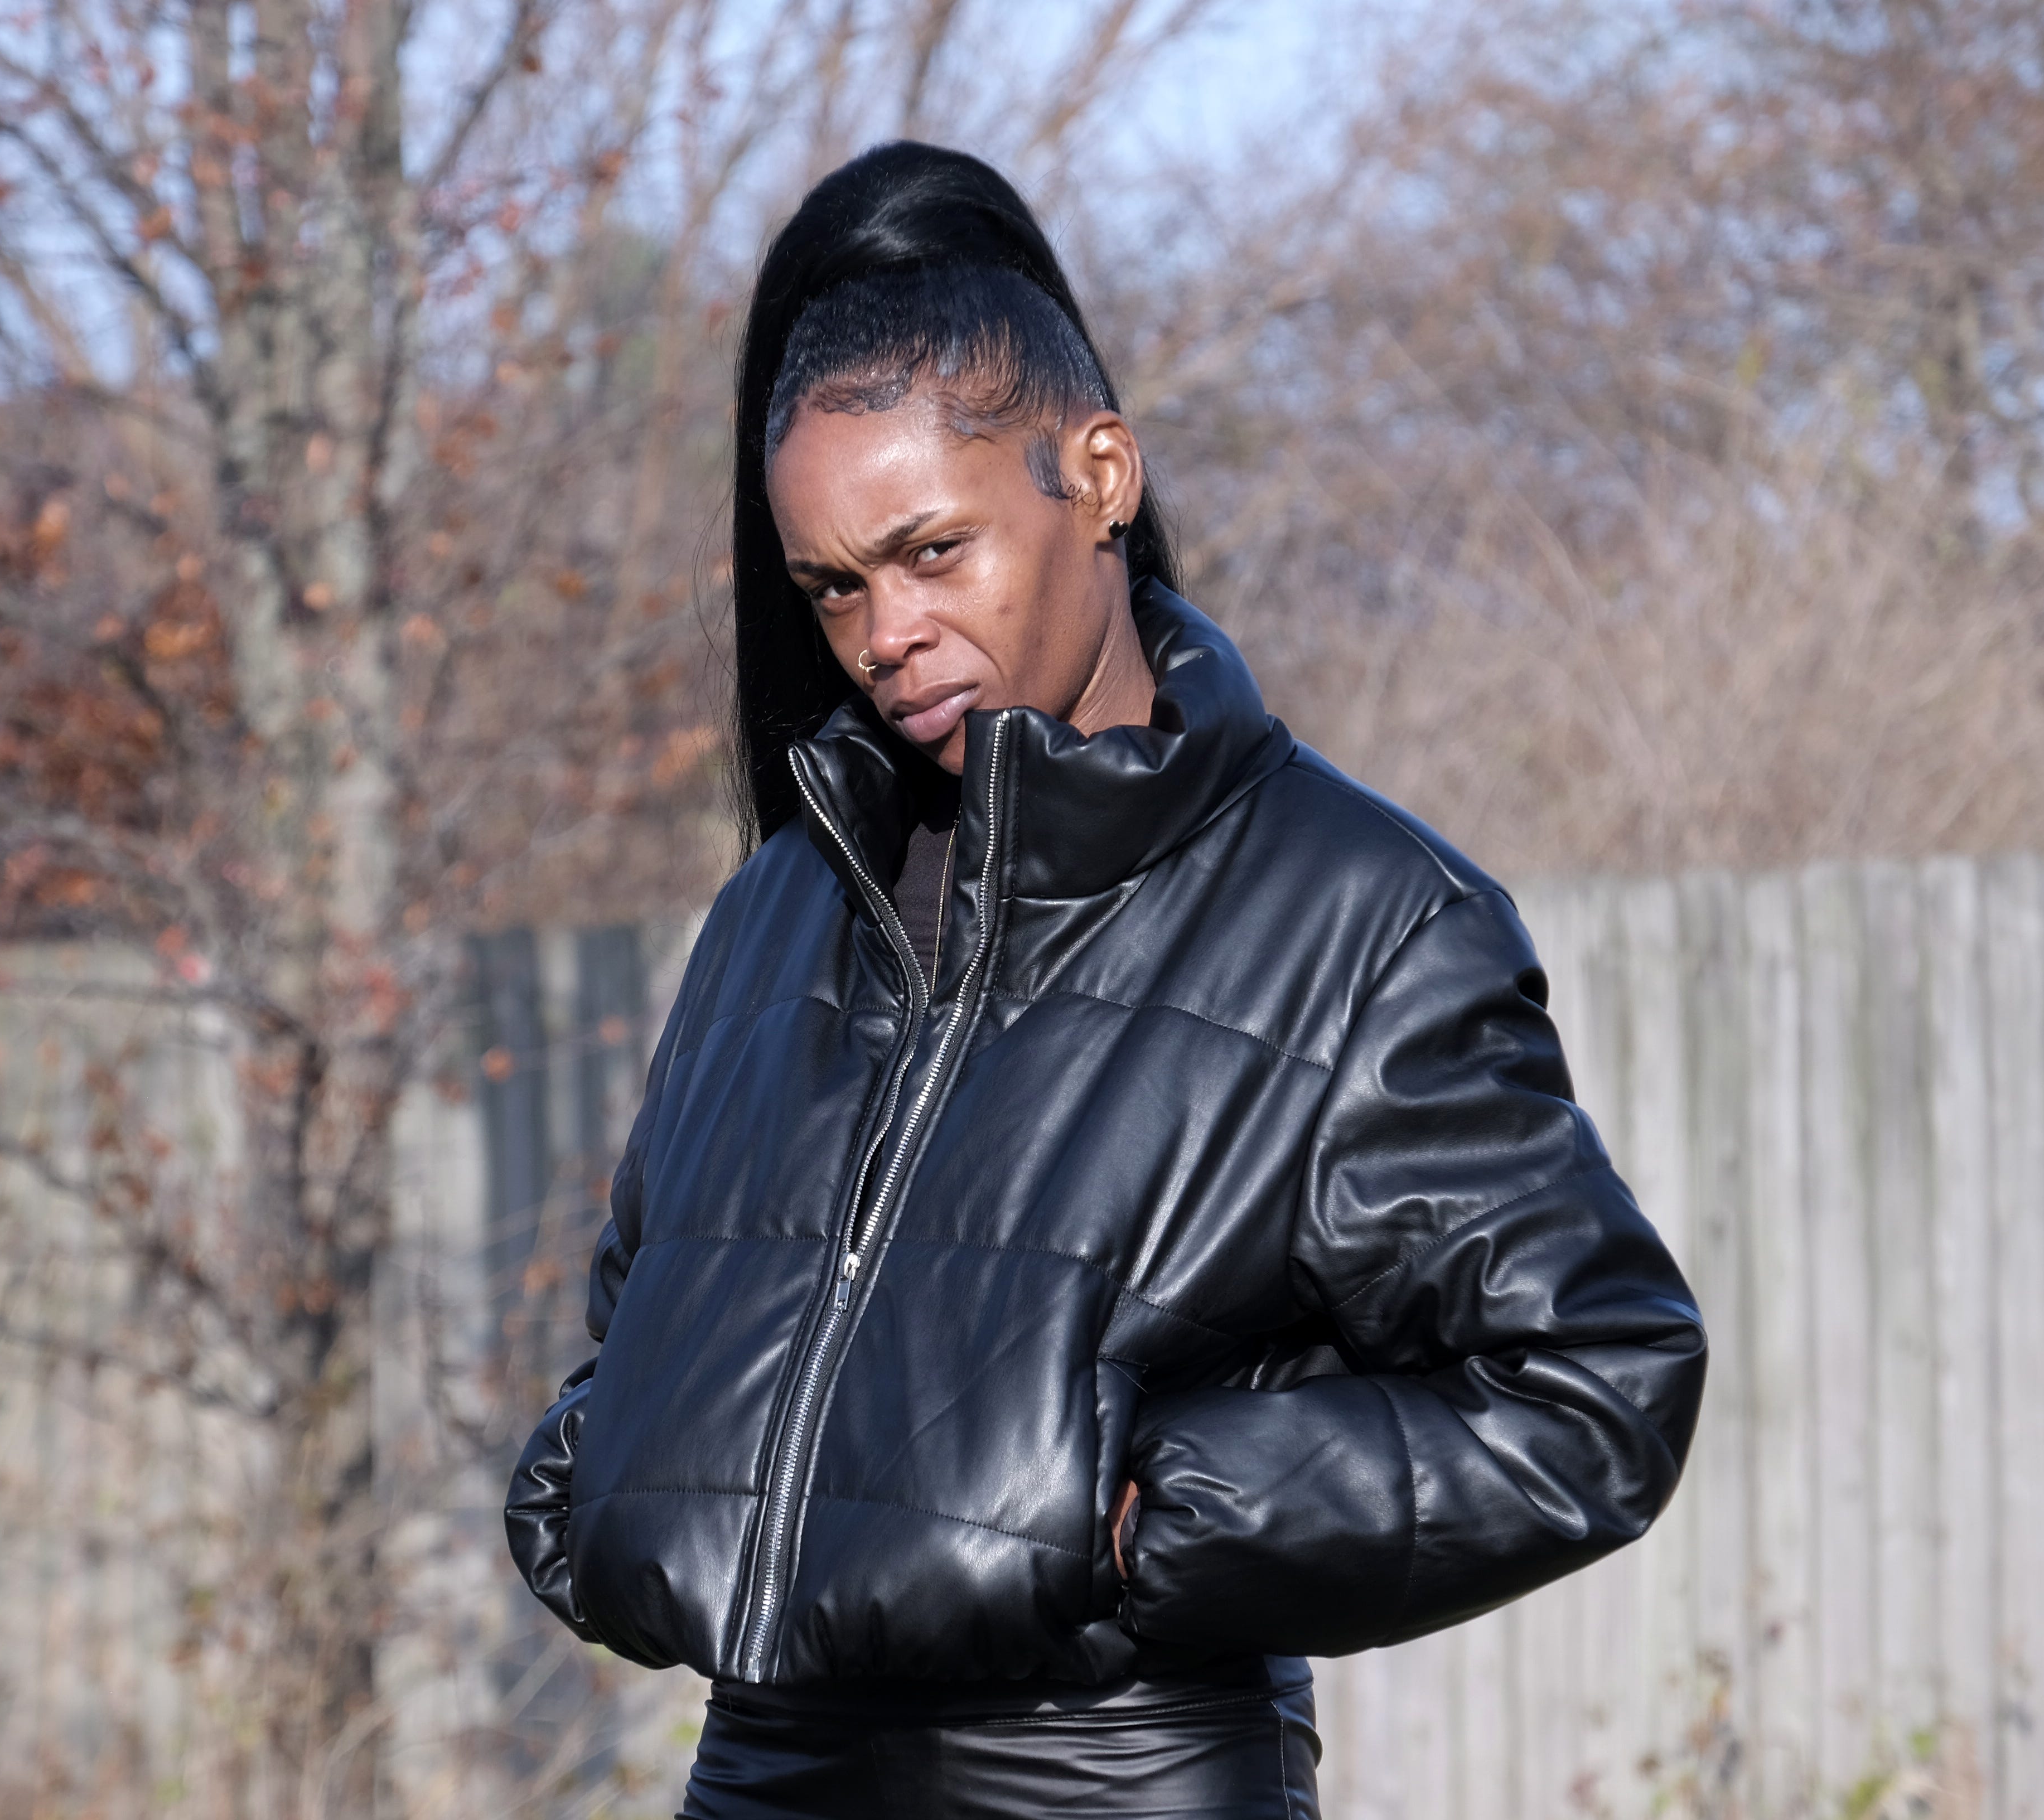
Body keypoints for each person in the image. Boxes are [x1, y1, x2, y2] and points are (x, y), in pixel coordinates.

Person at [505, 141, 1707, 1820]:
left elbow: (1593, 1390)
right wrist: (594, 1483)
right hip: (760, 1771)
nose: (886, 632)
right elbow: (644, 1318)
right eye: (833, 587)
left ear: (1101, 473)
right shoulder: (781, 908)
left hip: (1110, 1776)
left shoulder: (1356, 913)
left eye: (934, 553)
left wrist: (1140, 1511)